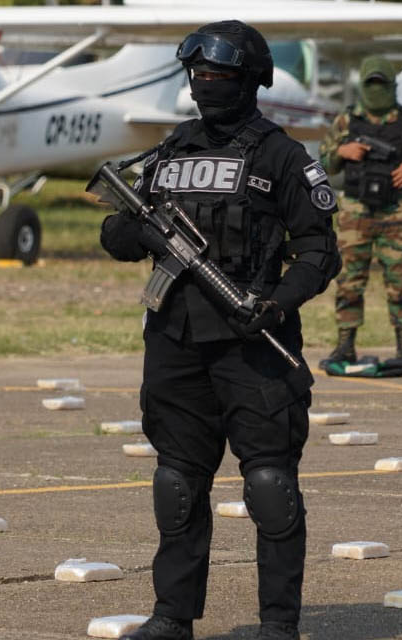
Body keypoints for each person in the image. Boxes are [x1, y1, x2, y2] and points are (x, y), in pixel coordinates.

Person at [97, 20, 340, 640]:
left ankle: (278, 624)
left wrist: (278, 304)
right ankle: (173, 616)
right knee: (176, 482)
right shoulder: (171, 148)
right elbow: (115, 234)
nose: (207, 83)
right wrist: (140, 233)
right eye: (199, 74)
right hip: (174, 342)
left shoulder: (284, 156)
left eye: (221, 74)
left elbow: (319, 252)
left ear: (252, 80)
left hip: (253, 343)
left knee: (268, 486)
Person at [318, 55, 402, 372]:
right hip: (354, 213)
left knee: (400, 281)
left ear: (391, 86)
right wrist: (341, 152)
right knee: (348, 282)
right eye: (370, 83)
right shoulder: (346, 121)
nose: (375, 90)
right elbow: (325, 160)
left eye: (380, 84)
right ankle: (345, 347)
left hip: (393, 213)